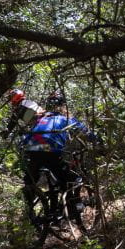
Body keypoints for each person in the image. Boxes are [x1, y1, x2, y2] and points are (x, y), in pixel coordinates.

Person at [20, 92, 102, 226]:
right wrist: (97, 141)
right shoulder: (66, 118)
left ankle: (30, 214)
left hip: (31, 150)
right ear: (63, 106)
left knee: (31, 183)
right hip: (50, 150)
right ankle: (72, 210)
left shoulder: (40, 118)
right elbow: (84, 132)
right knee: (70, 181)